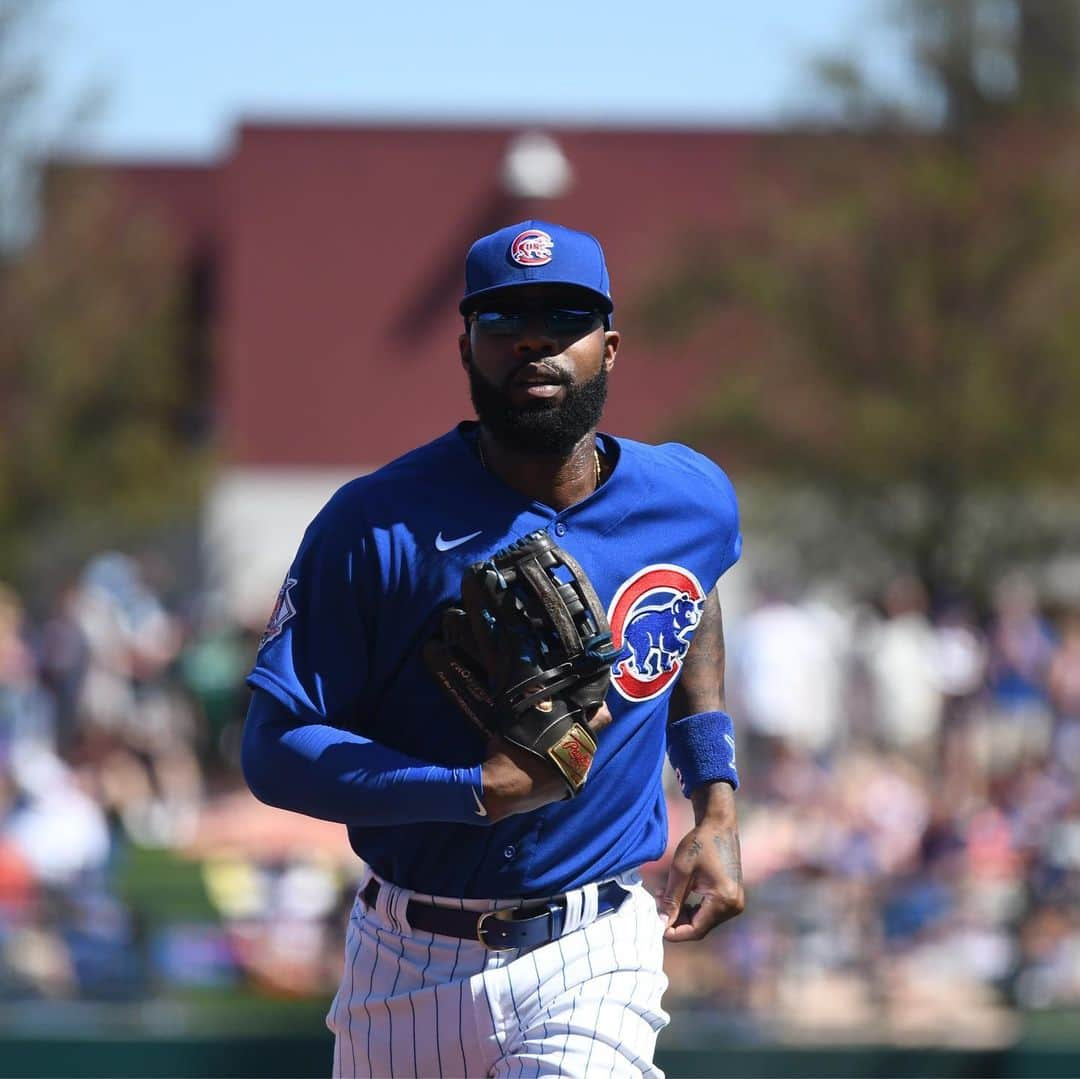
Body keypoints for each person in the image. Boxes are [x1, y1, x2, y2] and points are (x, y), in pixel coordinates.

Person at [241, 220, 745, 1078]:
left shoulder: (688, 501)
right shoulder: (374, 525)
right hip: (406, 956)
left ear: (611, 346)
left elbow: (690, 597)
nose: (537, 340)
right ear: (466, 347)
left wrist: (718, 801)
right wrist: (474, 790)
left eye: (565, 319)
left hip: (594, 944)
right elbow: (274, 748)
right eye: (507, 321)